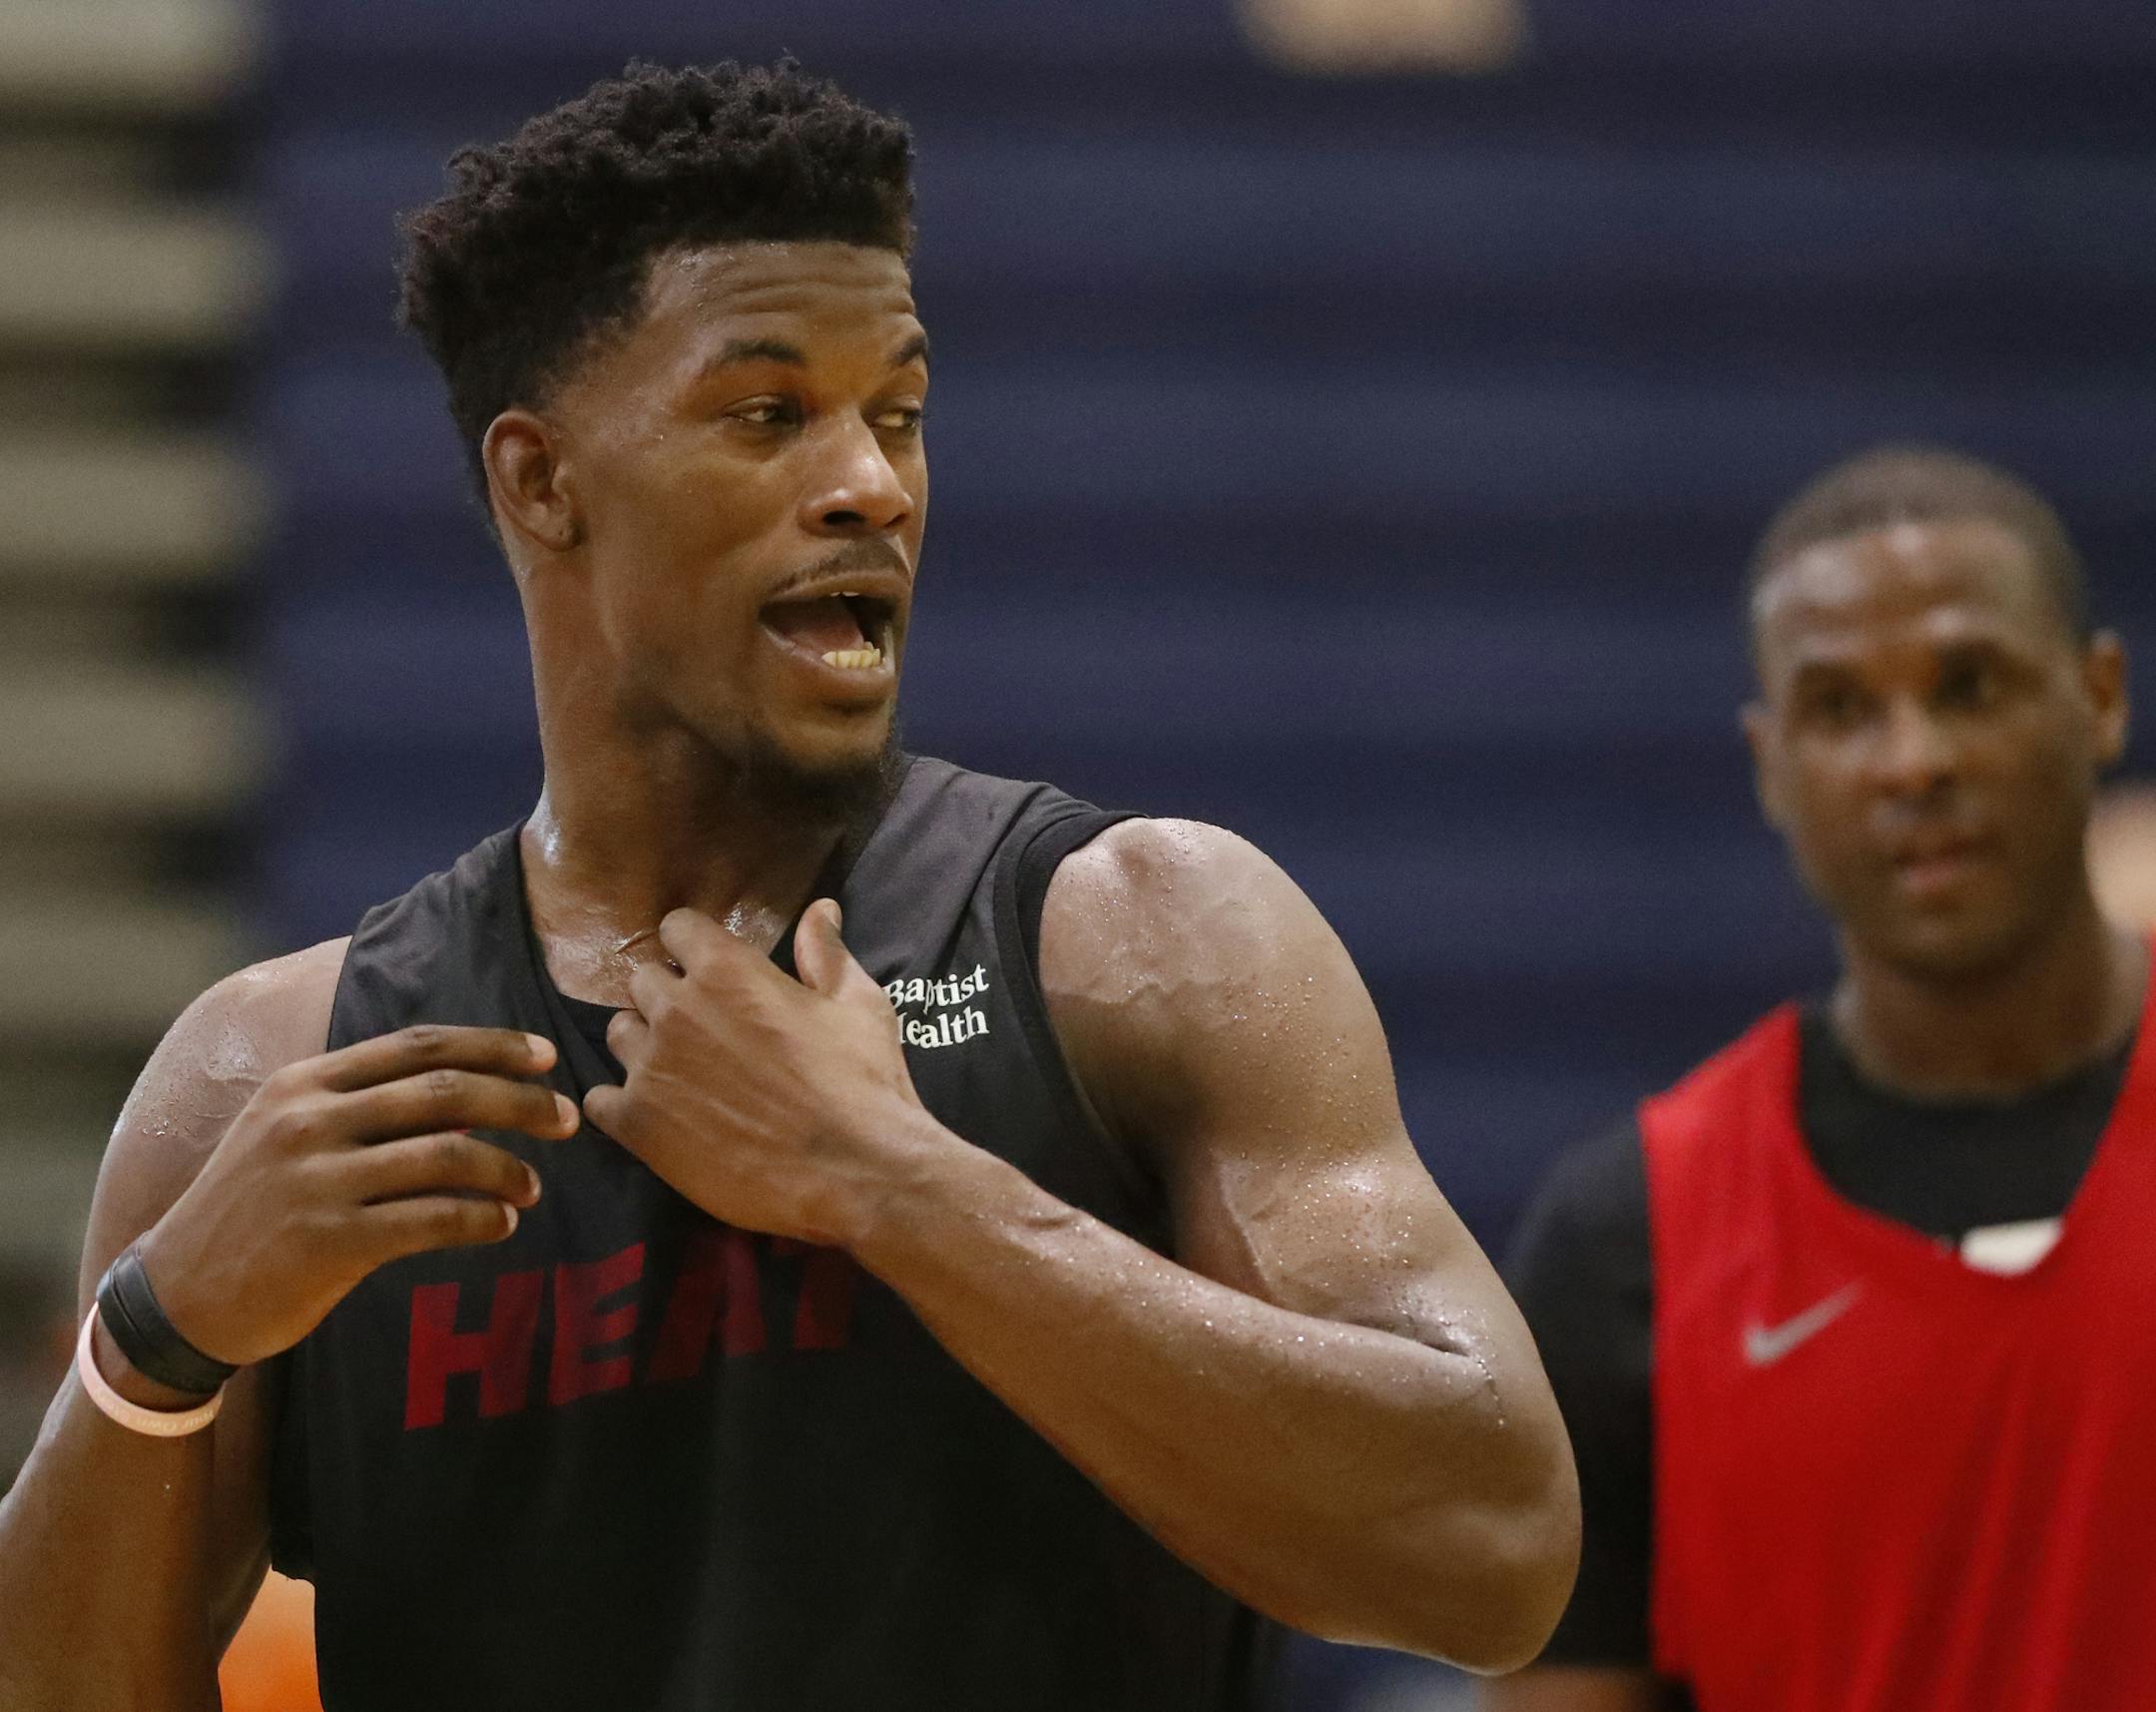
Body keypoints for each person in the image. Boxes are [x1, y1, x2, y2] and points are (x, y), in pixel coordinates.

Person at [0, 61, 1578, 1711]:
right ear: (543, 483)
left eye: (896, 413)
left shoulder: (1143, 938)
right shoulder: (279, 1070)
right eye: (769, 415)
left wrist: (896, 1182)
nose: (872, 485)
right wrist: (156, 1347)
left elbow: (1497, 1543)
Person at [1488, 444, 2156, 1712]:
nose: (1914, 763)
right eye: (1842, 709)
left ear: (2102, 696)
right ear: (1769, 762)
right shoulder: (1627, 1242)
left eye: (1971, 685)